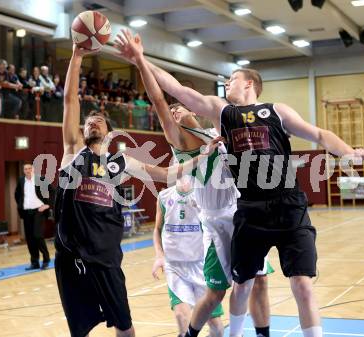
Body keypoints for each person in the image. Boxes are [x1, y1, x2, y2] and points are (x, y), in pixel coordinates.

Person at [114, 30, 364, 337]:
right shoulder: (208, 124)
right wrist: (140, 59)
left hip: (268, 204)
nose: (226, 83)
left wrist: (348, 152)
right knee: (229, 288)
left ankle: (264, 332)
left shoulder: (253, 119)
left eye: (232, 79)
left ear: (249, 83)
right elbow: (169, 92)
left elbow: (317, 134)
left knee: (278, 282)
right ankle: (202, 333)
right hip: (234, 215)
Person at [54, 43, 222, 337]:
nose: (92, 122)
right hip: (72, 257)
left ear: (109, 132)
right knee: (79, 330)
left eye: (99, 121)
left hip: (106, 256)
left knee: (125, 327)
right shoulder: (73, 152)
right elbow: (70, 100)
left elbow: (169, 174)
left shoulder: (121, 162)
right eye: (88, 122)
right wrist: (78, 56)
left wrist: (203, 157)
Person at [115, 30, 274, 337]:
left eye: (179, 108)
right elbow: (159, 97)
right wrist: (139, 61)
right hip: (215, 223)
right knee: (217, 293)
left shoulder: (220, 127)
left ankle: (260, 333)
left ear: (192, 112)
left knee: (260, 279)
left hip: (243, 213)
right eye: (171, 112)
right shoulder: (182, 142)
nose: (174, 111)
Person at [153, 179, 224, 337]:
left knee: (217, 329)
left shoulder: (204, 196)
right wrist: (159, 255)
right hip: (175, 267)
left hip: (201, 266)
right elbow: (157, 229)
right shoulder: (164, 197)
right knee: (181, 317)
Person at [14, 163, 53, 270]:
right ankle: (34, 262)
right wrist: (21, 205)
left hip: (38, 211)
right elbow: (17, 195)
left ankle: (46, 259)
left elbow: (52, 191)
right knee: (30, 238)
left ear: (33, 169)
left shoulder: (40, 179)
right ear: (23, 171)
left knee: (37, 235)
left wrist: (47, 205)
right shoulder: (21, 181)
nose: (28, 170)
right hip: (26, 213)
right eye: (25, 169)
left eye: (29, 168)